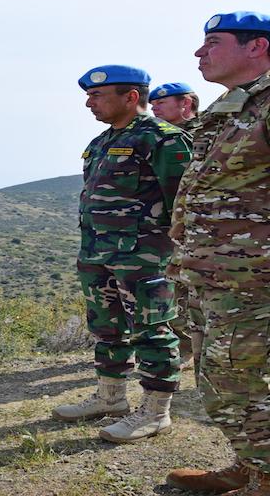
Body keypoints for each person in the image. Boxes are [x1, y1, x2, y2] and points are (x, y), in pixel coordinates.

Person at [51, 65, 192, 443]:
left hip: (143, 255)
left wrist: (177, 254)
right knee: (106, 327)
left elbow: (183, 203)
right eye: (89, 96)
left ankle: (155, 412)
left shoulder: (163, 139)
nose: (89, 103)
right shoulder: (101, 142)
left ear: (131, 97)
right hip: (97, 251)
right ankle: (111, 397)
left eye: (97, 95)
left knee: (152, 330)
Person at [165, 11, 270, 495]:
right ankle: (252, 464)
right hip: (212, 275)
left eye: (213, 42)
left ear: (257, 46)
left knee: (249, 377)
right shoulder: (231, 106)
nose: (199, 52)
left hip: (255, 279)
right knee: (222, 378)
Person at [149, 82, 206, 376]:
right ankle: (182, 346)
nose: (154, 108)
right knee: (170, 287)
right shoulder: (155, 138)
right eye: (152, 104)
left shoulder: (209, 130)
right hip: (165, 225)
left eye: (161, 103)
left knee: (194, 287)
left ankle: (196, 349)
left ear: (185, 103)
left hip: (202, 226)